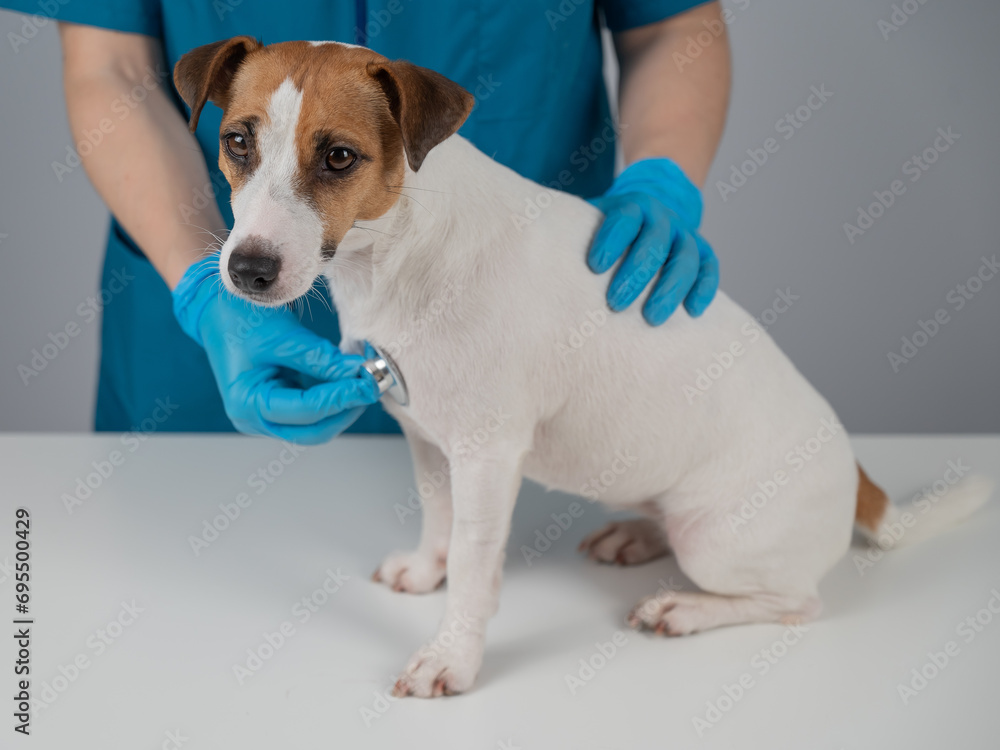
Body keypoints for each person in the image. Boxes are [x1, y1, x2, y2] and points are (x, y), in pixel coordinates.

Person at [9, 0, 730, 441]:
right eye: (239, 142)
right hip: (193, 382)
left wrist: (661, 179)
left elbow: (673, 24)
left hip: (510, 315)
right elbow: (110, 64)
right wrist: (200, 286)